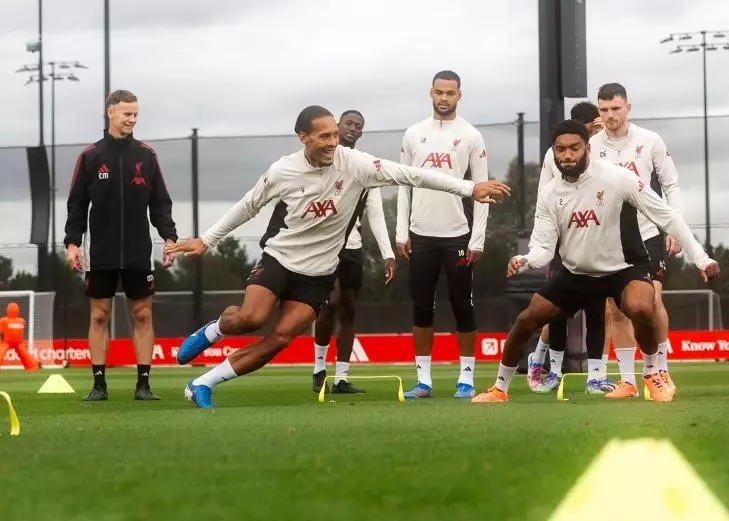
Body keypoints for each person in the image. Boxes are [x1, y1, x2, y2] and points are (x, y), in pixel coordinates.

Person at [168, 106, 509, 409]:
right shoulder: (283, 171)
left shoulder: (356, 164)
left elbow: (412, 174)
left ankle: (203, 384)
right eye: (324, 136)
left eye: (334, 134)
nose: (333, 142)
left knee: (281, 338)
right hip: (280, 258)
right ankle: (215, 330)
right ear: (303, 138)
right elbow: (249, 205)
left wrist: (469, 188)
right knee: (250, 319)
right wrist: (206, 240)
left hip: (318, 274)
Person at [470, 120, 719, 404]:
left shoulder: (619, 178)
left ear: (587, 148)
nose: (567, 155)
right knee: (527, 319)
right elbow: (544, 248)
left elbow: (667, 216)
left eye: (574, 148)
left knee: (641, 306)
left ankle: (653, 374)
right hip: (578, 274)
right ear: (553, 152)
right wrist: (525, 260)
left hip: (624, 269)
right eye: (560, 149)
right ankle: (499, 389)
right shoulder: (549, 194)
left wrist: (701, 258)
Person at [64, 89, 178, 401]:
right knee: (99, 316)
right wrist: (72, 243)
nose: (132, 119)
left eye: (136, 114)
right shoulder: (90, 156)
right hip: (101, 251)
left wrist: (169, 237)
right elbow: (76, 205)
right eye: (127, 113)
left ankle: (144, 384)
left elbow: (160, 203)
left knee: (143, 315)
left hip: (138, 251)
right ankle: (99, 385)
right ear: (110, 112)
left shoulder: (146, 155)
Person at [396, 70, 490, 399]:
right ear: (431, 93)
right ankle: (424, 381)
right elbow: (404, 186)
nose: (444, 98)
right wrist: (402, 232)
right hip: (420, 236)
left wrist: (477, 239)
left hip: (458, 237)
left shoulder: (471, 135)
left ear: (459, 95)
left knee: (462, 305)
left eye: (450, 93)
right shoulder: (413, 134)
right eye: (439, 92)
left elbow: (483, 190)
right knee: (422, 307)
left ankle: (466, 379)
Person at [589, 82, 682, 400]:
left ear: (628, 108)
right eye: (604, 110)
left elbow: (671, 184)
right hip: (608, 239)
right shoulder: (591, 146)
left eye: (615, 108)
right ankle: (628, 381)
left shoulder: (649, 141)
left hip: (647, 233)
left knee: (651, 302)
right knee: (615, 309)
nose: (610, 115)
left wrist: (674, 227)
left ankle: (658, 371)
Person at [311, 110, 396, 395]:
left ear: (361, 132)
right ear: (337, 126)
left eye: (358, 126)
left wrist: (388, 254)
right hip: (323, 246)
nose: (352, 128)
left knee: (348, 309)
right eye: (348, 123)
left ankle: (341, 378)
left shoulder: (364, 166)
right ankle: (319, 368)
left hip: (352, 247)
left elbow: (376, 213)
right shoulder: (321, 159)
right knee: (330, 303)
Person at [526, 101, 608, 394]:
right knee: (558, 309)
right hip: (564, 239)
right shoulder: (555, 155)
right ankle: (552, 369)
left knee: (597, 308)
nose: (570, 151)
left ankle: (596, 376)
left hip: (595, 237)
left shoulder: (602, 148)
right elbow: (545, 195)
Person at [0, 303, 39, 371]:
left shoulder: (4, 320)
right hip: (15, 342)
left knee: (1, 352)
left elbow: (1, 331)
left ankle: (33, 366)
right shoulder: (21, 321)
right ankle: (33, 366)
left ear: (7, 310)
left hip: (10, 342)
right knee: (26, 355)